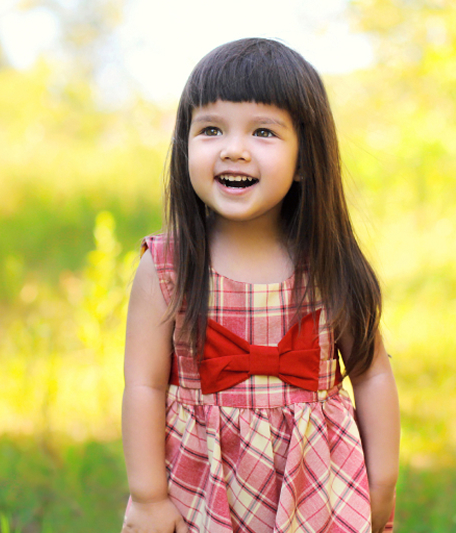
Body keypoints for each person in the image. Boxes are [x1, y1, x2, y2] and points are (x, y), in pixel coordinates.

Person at [121, 37, 400, 533]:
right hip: (200, 488)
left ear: (306, 158)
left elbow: (372, 375)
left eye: (263, 132)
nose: (234, 149)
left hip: (317, 488)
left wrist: (382, 482)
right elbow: (142, 386)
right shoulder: (167, 267)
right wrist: (147, 498)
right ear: (185, 143)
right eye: (211, 129)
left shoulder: (329, 264)